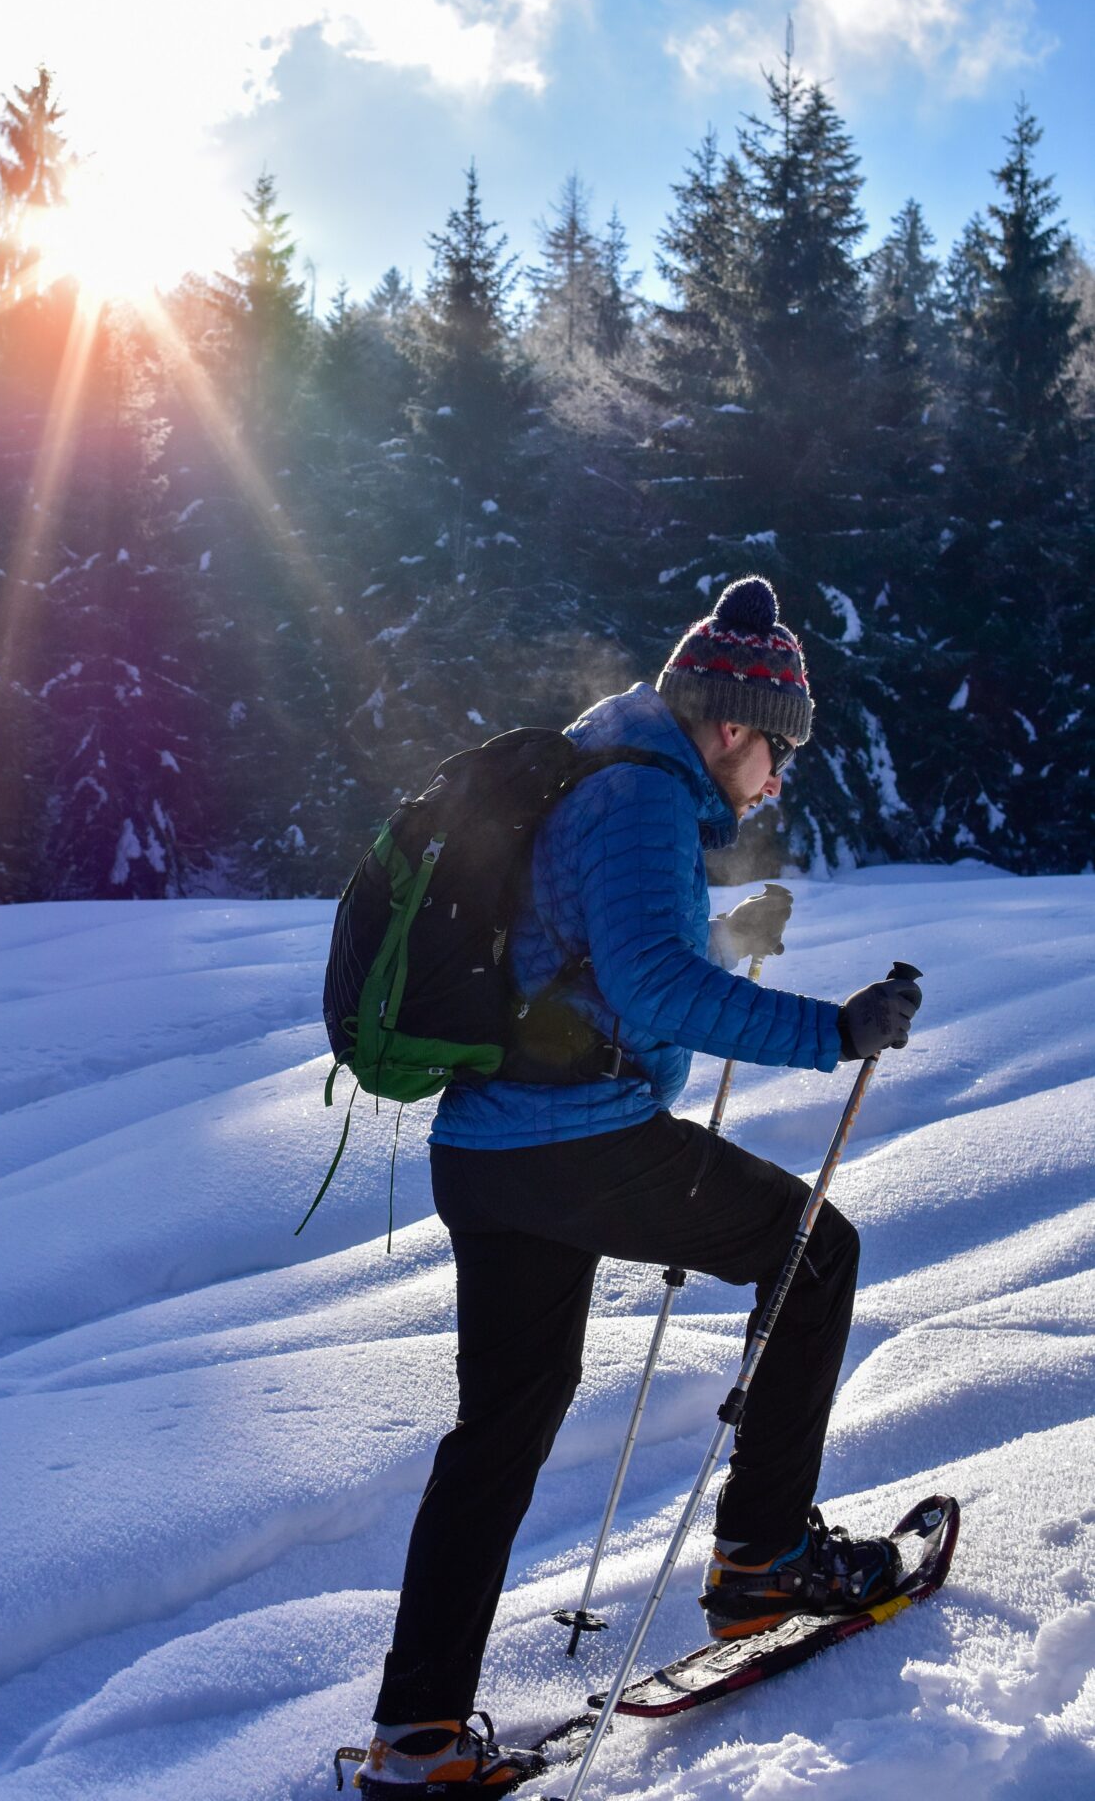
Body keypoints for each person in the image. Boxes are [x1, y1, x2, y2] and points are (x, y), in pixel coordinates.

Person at [351, 576, 922, 1796]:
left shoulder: (600, 764)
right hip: (574, 1139)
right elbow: (654, 991)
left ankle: (418, 1734)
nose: (775, 778)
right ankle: (764, 1557)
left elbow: (601, 958)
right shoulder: (641, 797)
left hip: (494, 1149)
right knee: (813, 1249)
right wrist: (834, 1028)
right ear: (729, 724)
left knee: (501, 1424)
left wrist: (724, 945)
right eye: (776, 750)